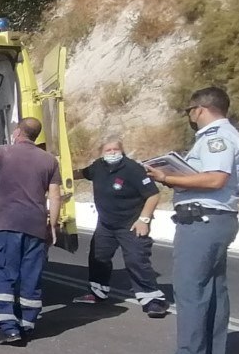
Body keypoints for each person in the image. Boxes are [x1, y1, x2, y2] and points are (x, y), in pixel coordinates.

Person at [145, 87, 239, 354]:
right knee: (213, 291)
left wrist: (166, 177)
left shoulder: (217, 138)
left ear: (200, 109)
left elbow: (216, 179)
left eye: (189, 111)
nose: (190, 117)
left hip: (203, 220)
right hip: (213, 219)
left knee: (190, 290)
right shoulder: (226, 136)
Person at [0, 117, 61, 344]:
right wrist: (52, 226)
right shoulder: (49, 160)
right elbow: (55, 196)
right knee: (31, 275)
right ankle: (27, 324)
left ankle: (8, 328)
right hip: (35, 226)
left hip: (8, 224)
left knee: (4, 274)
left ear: (17, 132)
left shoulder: (2, 152)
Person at [72, 136, 168, 317]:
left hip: (131, 223)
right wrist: (60, 173)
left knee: (136, 259)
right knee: (98, 257)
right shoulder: (98, 167)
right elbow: (80, 174)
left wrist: (144, 220)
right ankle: (97, 292)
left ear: (122, 151)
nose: (112, 153)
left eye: (115, 149)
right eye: (108, 150)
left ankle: (153, 300)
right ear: (101, 153)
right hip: (106, 224)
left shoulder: (133, 169)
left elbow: (153, 195)